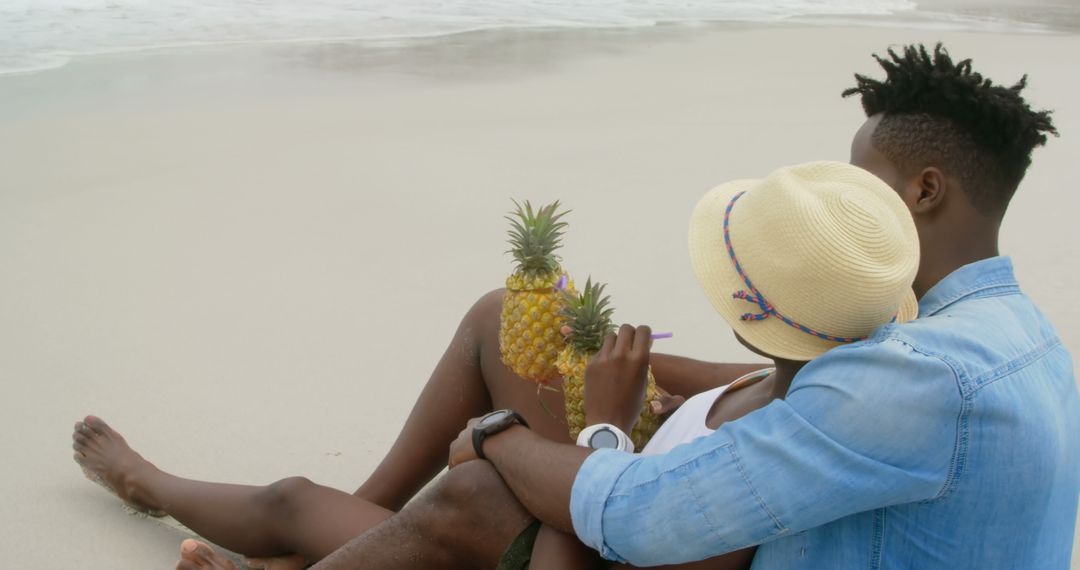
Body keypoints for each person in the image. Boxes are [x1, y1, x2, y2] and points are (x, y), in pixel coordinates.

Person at [290, 43, 1074, 570]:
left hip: (660, 526)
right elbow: (826, 396)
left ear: (924, 190)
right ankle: (319, 532)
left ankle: (304, 533)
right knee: (504, 333)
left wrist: (496, 438)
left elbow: (635, 518)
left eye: (860, 179)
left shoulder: (924, 375)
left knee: (480, 497)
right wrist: (651, 366)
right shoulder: (1011, 333)